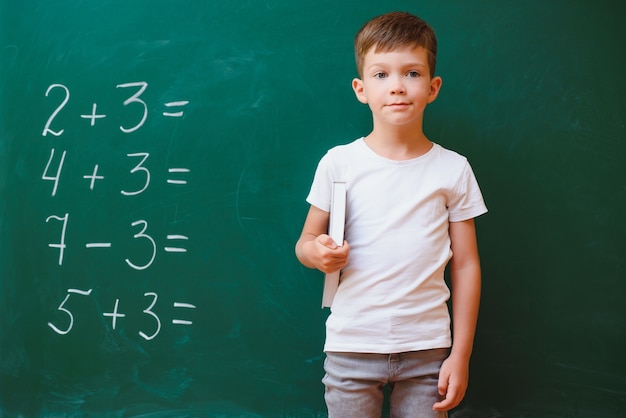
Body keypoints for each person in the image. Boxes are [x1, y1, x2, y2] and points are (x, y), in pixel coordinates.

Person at [295, 11, 488, 418]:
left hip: (428, 352)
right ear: (360, 88)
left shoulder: (453, 169)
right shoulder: (339, 163)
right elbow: (305, 242)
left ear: (433, 87)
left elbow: (467, 264)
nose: (397, 87)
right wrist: (318, 254)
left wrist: (461, 354)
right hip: (351, 347)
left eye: (412, 73)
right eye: (381, 75)